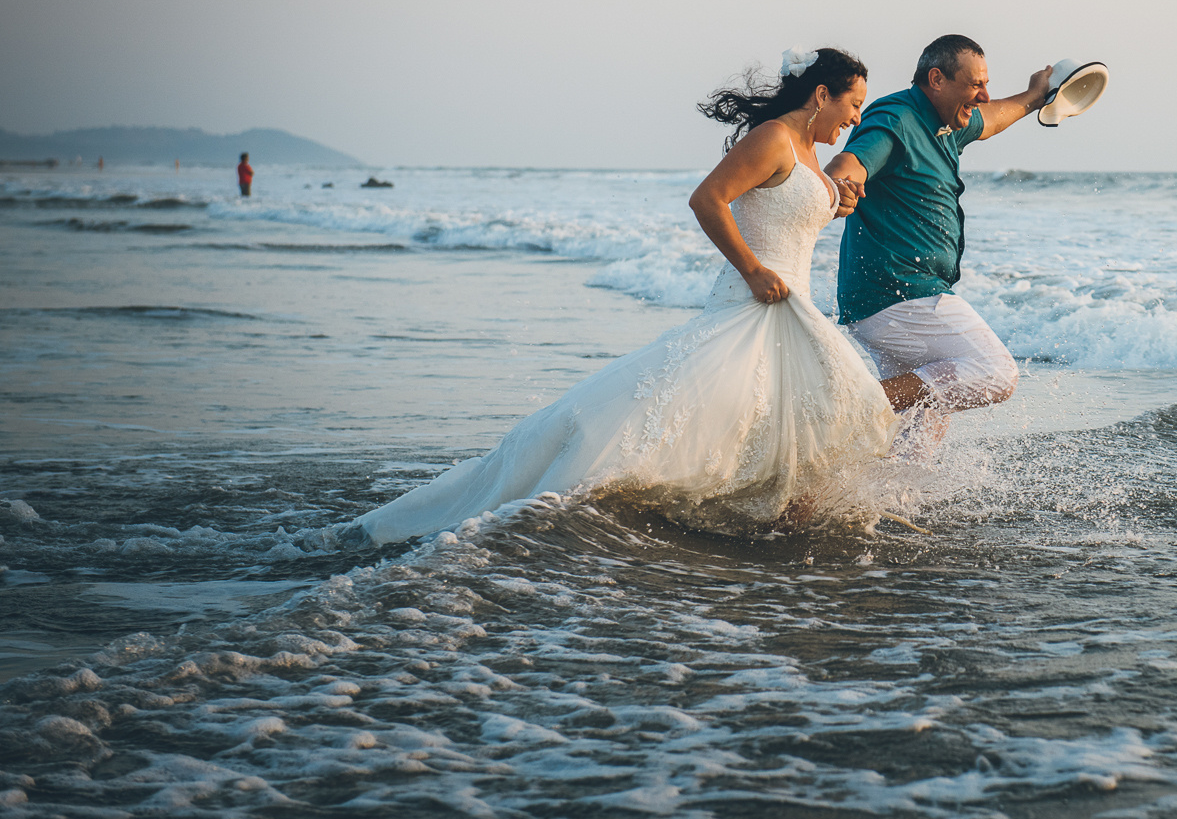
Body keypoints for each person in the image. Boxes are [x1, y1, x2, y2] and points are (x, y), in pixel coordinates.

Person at [354, 48, 897, 543]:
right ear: (821, 94)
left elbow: (788, 206)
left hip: (794, 307)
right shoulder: (773, 137)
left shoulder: (807, 151)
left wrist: (836, 202)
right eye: (854, 104)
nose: (856, 117)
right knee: (678, 426)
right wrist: (752, 270)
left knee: (817, 417)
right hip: (754, 301)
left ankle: (771, 526)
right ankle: (585, 509)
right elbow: (707, 199)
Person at [826, 35, 1051, 434]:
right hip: (898, 293)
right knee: (995, 371)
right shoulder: (896, 120)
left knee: (919, 436)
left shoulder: (945, 124)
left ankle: (859, 470)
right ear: (937, 79)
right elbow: (852, 161)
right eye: (975, 84)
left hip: (887, 297)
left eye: (985, 84)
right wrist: (839, 184)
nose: (983, 95)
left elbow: (991, 118)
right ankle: (845, 409)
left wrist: (1035, 96)